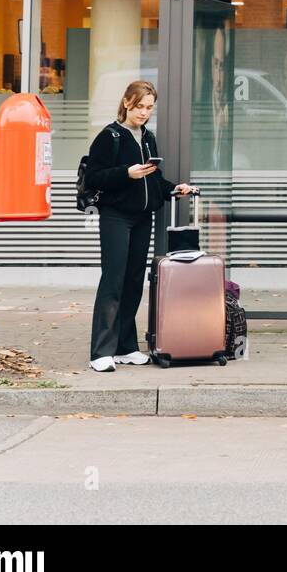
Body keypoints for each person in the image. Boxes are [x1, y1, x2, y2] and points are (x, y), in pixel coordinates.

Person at [84, 81, 195, 373]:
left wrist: (175, 189)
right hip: (116, 217)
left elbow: (154, 180)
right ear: (127, 102)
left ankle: (125, 347)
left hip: (143, 217)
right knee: (113, 280)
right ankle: (101, 352)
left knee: (134, 281)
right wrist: (126, 173)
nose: (144, 112)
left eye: (149, 108)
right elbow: (94, 177)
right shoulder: (110, 136)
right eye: (140, 106)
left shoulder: (148, 138)